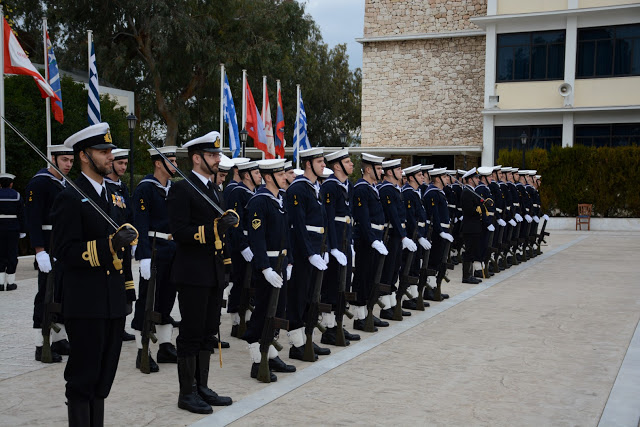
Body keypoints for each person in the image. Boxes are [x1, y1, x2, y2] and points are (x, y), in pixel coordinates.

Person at [50, 123, 139, 426]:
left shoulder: (112, 196)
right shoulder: (70, 197)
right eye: (103, 152)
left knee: (103, 378)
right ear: (84, 156)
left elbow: (123, 250)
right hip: (86, 301)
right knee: (83, 376)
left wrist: (128, 288)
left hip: (112, 301)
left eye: (110, 151)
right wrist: (108, 245)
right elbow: (65, 251)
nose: (109, 157)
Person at [167, 131, 237, 414]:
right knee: (191, 331)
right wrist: (212, 230)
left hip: (213, 271)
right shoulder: (182, 189)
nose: (217, 159)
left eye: (217, 155)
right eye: (212, 155)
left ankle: (202, 386)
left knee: (209, 330)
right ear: (196, 158)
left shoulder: (214, 190)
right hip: (192, 272)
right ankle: (187, 393)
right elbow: (179, 231)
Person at [244, 159, 296, 381]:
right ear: (268, 177)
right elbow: (257, 239)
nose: (285, 177)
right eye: (280, 173)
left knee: (278, 309)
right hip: (268, 265)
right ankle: (258, 359)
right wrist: (264, 267)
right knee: (263, 310)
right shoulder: (259, 202)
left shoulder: (280, 200)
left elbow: (288, 234)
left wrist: (290, 261)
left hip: (281, 263)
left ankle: (271, 352)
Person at [131, 146, 179, 373]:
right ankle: (143, 349)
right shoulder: (145, 189)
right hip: (153, 248)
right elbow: (139, 224)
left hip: (172, 248)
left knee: (167, 298)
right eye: (170, 160)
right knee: (147, 300)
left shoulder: (174, 189)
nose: (175, 164)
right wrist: (142, 257)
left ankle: (165, 345)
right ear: (158, 163)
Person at [25, 144, 74, 363]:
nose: (68, 164)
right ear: (52, 159)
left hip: (62, 245)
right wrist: (39, 250)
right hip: (47, 245)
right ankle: (40, 343)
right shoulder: (39, 183)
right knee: (45, 295)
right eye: (64, 160)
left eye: (71, 161)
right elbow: (33, 219)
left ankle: (59, 338)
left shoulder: (66, 184)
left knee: (61, 293)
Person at [285, 147, 331, 360]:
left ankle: (307, 339)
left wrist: (325, 249)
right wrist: (310, 253)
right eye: (320, 161)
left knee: (312, 296)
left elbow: (322, 223)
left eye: (323, 161)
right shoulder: (298, 189)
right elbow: (298, 225)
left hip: (316, 249)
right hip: (303, 252)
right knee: (299, 296)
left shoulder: (315, 188)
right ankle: (296, 345)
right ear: (308, 164)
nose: (323, 165)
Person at [319, 148, 360, 345]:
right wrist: (333, 247)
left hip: (345, 240)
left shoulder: (348, 186)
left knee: (344, 284)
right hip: (335, 243)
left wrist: (349, 243)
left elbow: (348, 218)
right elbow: (328, 219)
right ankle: (329, 328)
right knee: (332, 285)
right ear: (337, 166)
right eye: (348, 162)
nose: (352, 164)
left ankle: (339, 324)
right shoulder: (329, 187)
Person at [351, 153, 389, 332]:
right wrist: (372, 239)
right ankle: (359, 317)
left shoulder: (373, 188)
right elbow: (363, 218)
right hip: (366, 239)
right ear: (368, 169)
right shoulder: (361, 188)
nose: (381, 171)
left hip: (375, 237)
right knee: (362, 277)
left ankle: (367, 312)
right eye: (379, 168)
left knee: (372, 276)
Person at [377, 159, 417, 321]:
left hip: (397, 234)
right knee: (388, 271)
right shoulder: (387, 190)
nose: (402, 172)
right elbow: (393, 214)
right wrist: (403, 235)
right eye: (398, 169)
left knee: (394, 270)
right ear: (389, 172)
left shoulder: (395, 190)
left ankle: (392, 304)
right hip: (391, 235)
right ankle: (385, 307)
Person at [105, 148, 137, 341]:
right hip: (111, 244)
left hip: (124, 243)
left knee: (125, 287)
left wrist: (134, 240)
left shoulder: (122, 188)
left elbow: (129, 214)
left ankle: (120, 326)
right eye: (120, 163)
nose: (123, 167)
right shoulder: (106, 187)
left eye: (125, 164)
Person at [227, 161, 262, 338]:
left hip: (253, 244)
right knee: (240, 282)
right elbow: (235, 222)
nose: (260, 176)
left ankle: (247, 318)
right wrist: (242, 246)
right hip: (241, 246)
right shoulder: (238, 193)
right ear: (247, 175)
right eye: (256, 173)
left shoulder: (254, 193)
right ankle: (236, 322)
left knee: (251, 283)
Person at [400, 165, 430, 309]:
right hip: (412, 237)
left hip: (417, 236)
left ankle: (413, 296)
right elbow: (410, 219)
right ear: (411, 177)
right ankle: (407, 298)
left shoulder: (415, 192)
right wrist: (418, 236)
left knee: (415, 267)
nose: (423, 177)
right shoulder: (407, 193)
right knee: (409, 267)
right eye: (419, 176)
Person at [421, 167, 452, 300]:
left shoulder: (439, 192)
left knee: (438, 260)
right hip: (436, 232)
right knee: (433, 261)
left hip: (442, 231)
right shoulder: (432, 193)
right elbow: (435, 215)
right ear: (438, 179)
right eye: (444, 177)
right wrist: (440, 231)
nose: (447, 179)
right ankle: (429, 290)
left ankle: (434, 288)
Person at [0, 173, 26, 291]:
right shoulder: (17, 195)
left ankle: (0, 283)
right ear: (11, 184)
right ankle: (10, 283)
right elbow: (22, 214)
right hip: (13, 228)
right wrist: (23, 229)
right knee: (11, 254)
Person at [460, 168, 484, 284]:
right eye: (476, 178)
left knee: (473, 251)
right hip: (469, 227)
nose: (478, 180)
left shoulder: (472, 191)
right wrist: (479, 208)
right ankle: (466, 276)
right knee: (469, 252)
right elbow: (469, 210)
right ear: (470, 180)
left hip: (474, 227)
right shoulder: (466, 192)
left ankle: (471, 274)